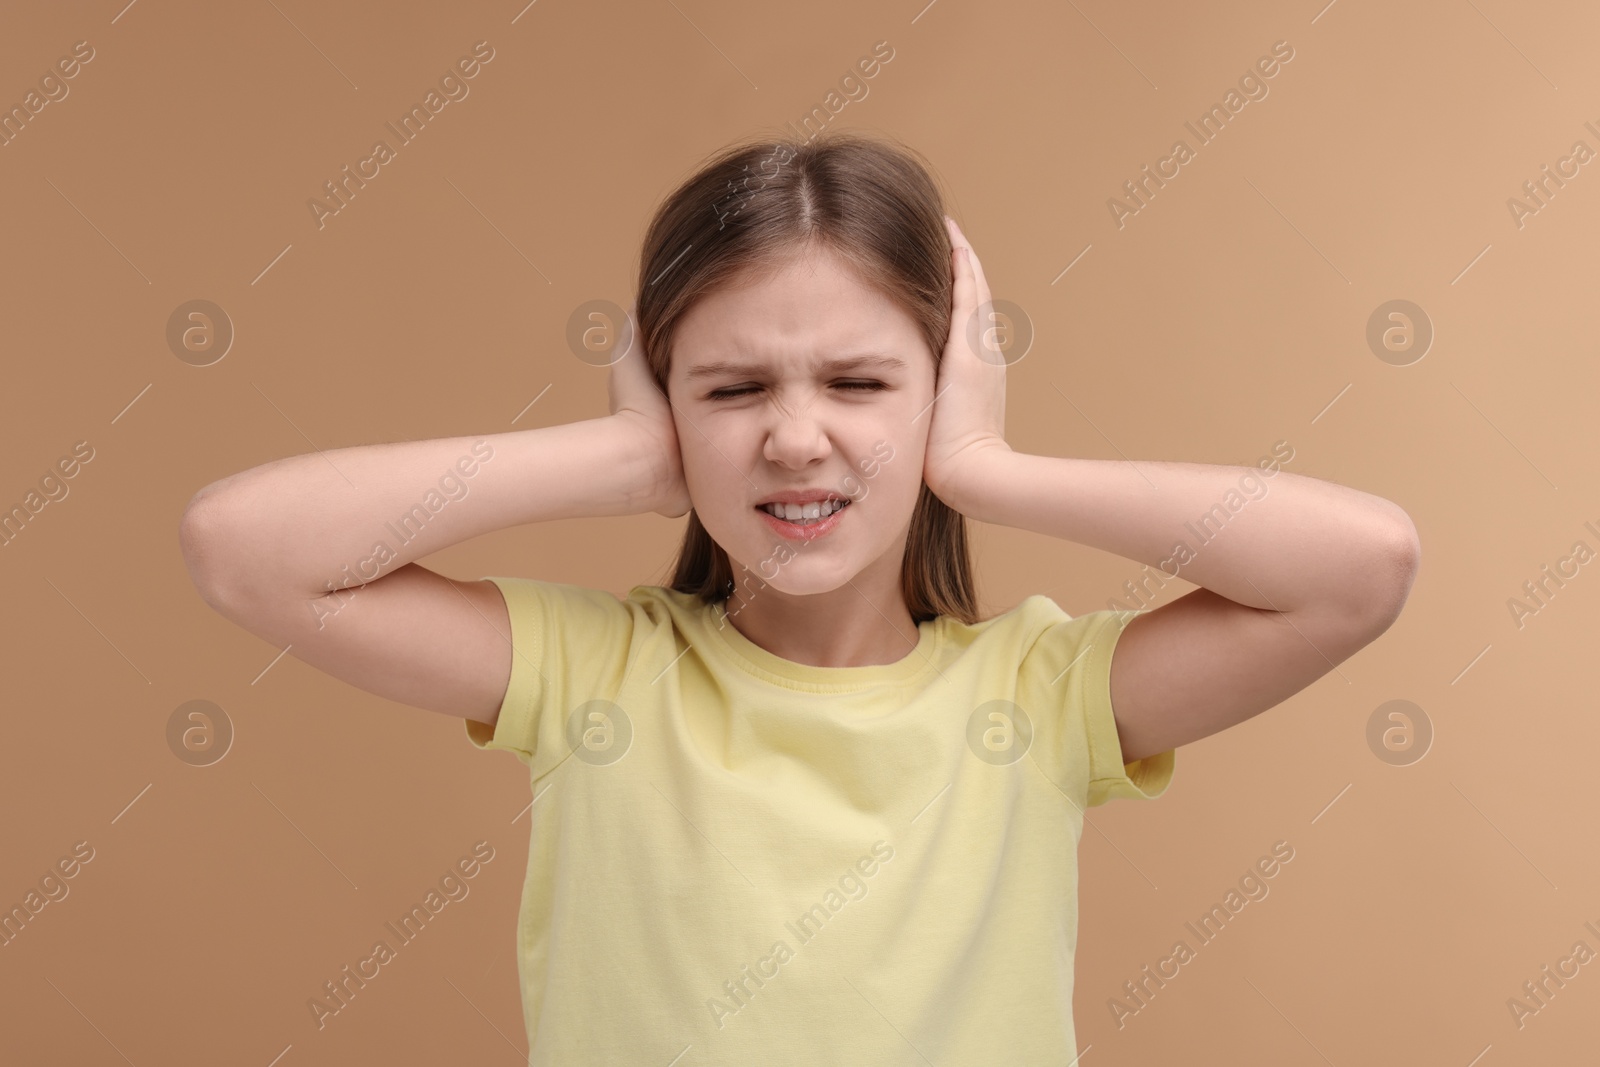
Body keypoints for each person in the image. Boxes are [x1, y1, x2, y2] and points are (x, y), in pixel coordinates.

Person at [177, 131, 1420, 1064]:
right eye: (730, 390)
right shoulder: (597, 676)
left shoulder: (1038, 699)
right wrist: (620, 462)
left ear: (942, 391)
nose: (794, 437)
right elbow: (242, 547)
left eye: (859, 381)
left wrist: (987, 471)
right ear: (665, 404)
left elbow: (1361, 565)